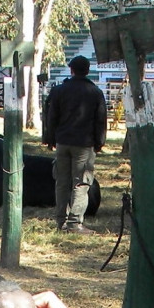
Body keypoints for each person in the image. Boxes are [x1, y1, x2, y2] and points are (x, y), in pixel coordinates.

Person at [42, 55, 107, 235]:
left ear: (71, 70)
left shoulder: (59, 90)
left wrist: (49, 138)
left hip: (63, 142)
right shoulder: (95, 92)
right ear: (87, 71)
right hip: (84, 145)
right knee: (80, 184)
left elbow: (50, 117)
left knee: (61, 183)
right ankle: (74, 223)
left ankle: (61, 221)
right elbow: (100, 120)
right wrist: (99, 143)